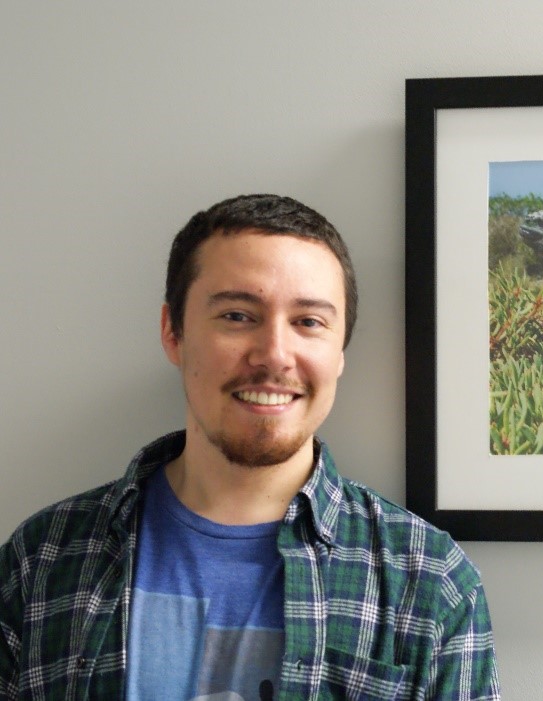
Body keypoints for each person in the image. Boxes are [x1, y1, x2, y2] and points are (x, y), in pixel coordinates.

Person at [0, 194, 500, 700]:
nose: (275, 356)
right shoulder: (41, 559)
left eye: (308, 322)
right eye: (238, 316)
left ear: (340, 351)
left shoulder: (430, 582)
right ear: (173, 333)